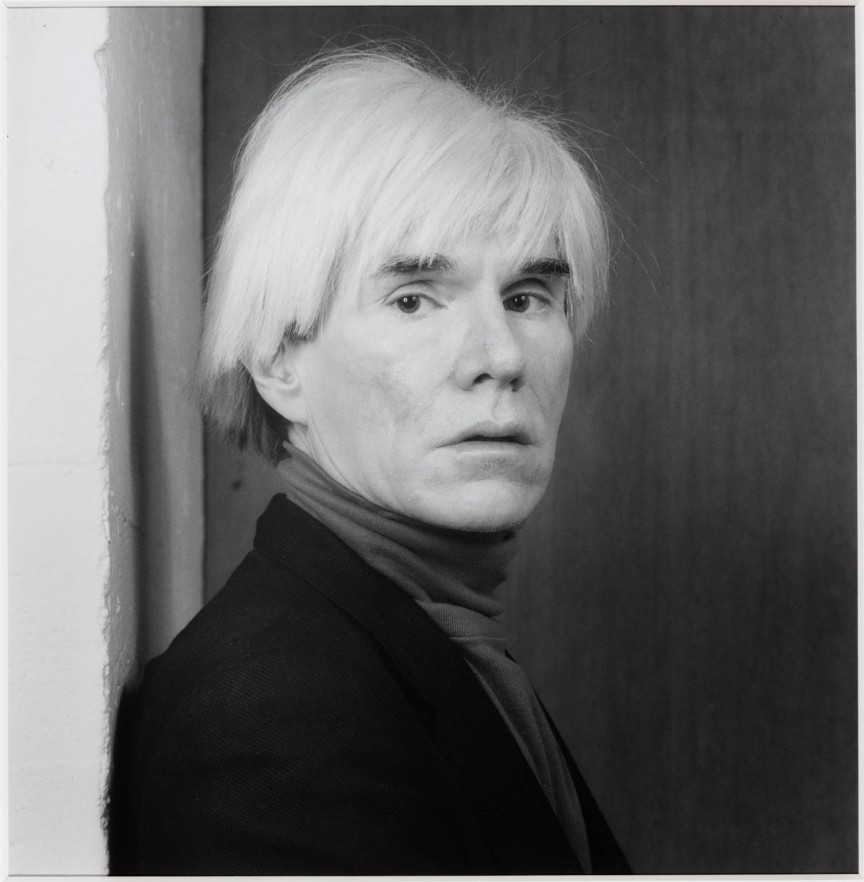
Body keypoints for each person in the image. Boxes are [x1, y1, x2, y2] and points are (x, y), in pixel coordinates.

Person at [110, 47, 630, 875]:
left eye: (527, 297)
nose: (500, 356)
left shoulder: (427, 639)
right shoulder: (275, 716)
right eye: (414, 299)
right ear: (280, 361)